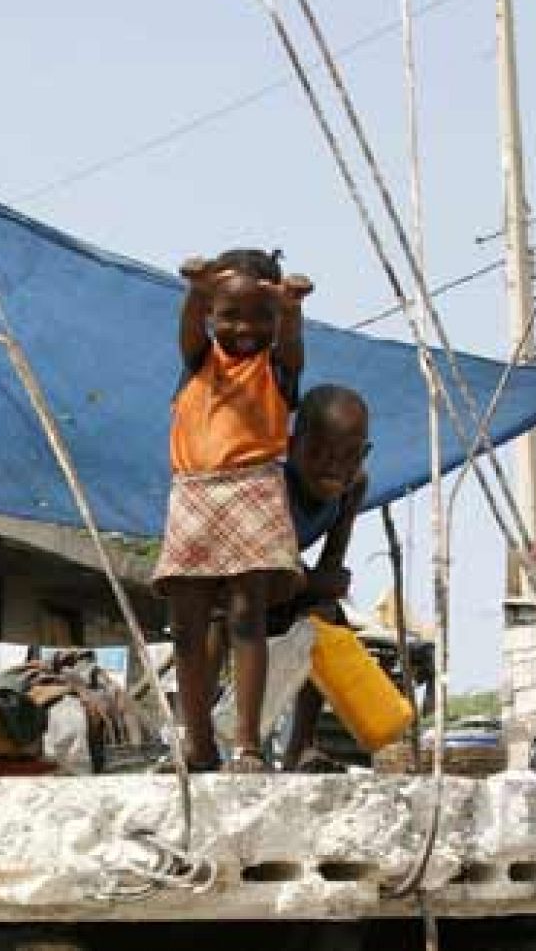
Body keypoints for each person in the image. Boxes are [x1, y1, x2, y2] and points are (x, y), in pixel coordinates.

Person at [152, 248, 313, 773]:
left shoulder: (277, 368)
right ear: (209, 316)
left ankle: (246, 743)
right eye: (229, 314)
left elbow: (290, 345)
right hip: (195, 494)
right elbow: (191, 328)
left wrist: (286, 306)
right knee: (187, 624)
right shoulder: (200, 359)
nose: (244, 328)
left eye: (258, 316)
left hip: (253, 489)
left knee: (247, 615)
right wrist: (199, 289)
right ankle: (197, 741)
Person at [272, 385, 370, 772]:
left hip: (291, 582)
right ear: (292, 445)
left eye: (345, 457)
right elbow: (281, 571)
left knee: (326, 619)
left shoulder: (353, 487)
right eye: (318, 453)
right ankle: (209, 740)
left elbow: (331, 568)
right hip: (241, 583)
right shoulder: (274, 484)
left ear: (361, 456)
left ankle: (302, 744)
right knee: (219, 617)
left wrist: (316, 584)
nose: (331, 466)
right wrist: (314, 582)